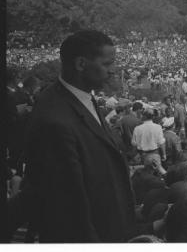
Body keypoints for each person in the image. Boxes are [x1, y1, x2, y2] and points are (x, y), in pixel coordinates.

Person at [19, 30, 154, 242]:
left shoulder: (81, 96)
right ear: (81, 64)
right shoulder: (54, 119)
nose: (113, 71)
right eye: (107, 64)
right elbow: (69, 206)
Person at [131, 108, 167, 172]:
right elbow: (161, 142)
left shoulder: (137, 128)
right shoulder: (158, 127)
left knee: (145, 173)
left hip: (143, 155)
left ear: (143, 116)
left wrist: (134, 155)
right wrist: (164, 154)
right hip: (155, 154)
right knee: (157, 173)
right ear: (153, 117)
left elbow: (134, 144)